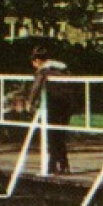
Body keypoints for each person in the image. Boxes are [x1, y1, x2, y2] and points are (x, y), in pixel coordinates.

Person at [26, 44, 73, 175]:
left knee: (52, 135)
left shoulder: (43, 70)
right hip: (67, 103)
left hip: (54, 103)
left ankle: (53, 165)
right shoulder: (63, 67)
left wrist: (30, 101)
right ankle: (63, 164)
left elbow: (36, 85)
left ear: (37, 61)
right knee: (60, 135)